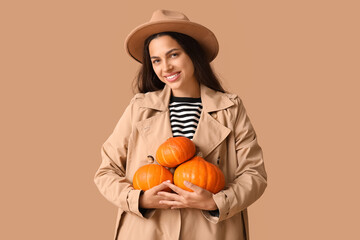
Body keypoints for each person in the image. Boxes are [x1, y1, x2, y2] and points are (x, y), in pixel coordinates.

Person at [94, 9, 267, 240]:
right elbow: (106, 171)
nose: (165, 67)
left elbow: (254, 174)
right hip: (147, 231)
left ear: (192, 54)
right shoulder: (139, 108)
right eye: (156, 60)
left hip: (213, 232)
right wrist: (140, 199)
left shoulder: (230, 108)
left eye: (173, 55)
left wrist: (214, 202)